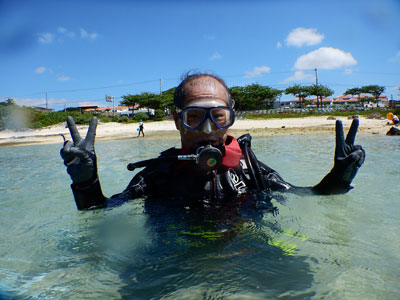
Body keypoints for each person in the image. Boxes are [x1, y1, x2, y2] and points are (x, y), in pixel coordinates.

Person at [60, 73, 365, 210]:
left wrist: (339, 177)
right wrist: (87, 182)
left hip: (246, 251)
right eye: (195, 117)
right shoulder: (156, 175)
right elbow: (97, 213)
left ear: (231, 118)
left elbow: (310, 195)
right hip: (176, 257)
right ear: (177, 119)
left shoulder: (251, 169)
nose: (208, 128)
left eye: (218, 116)